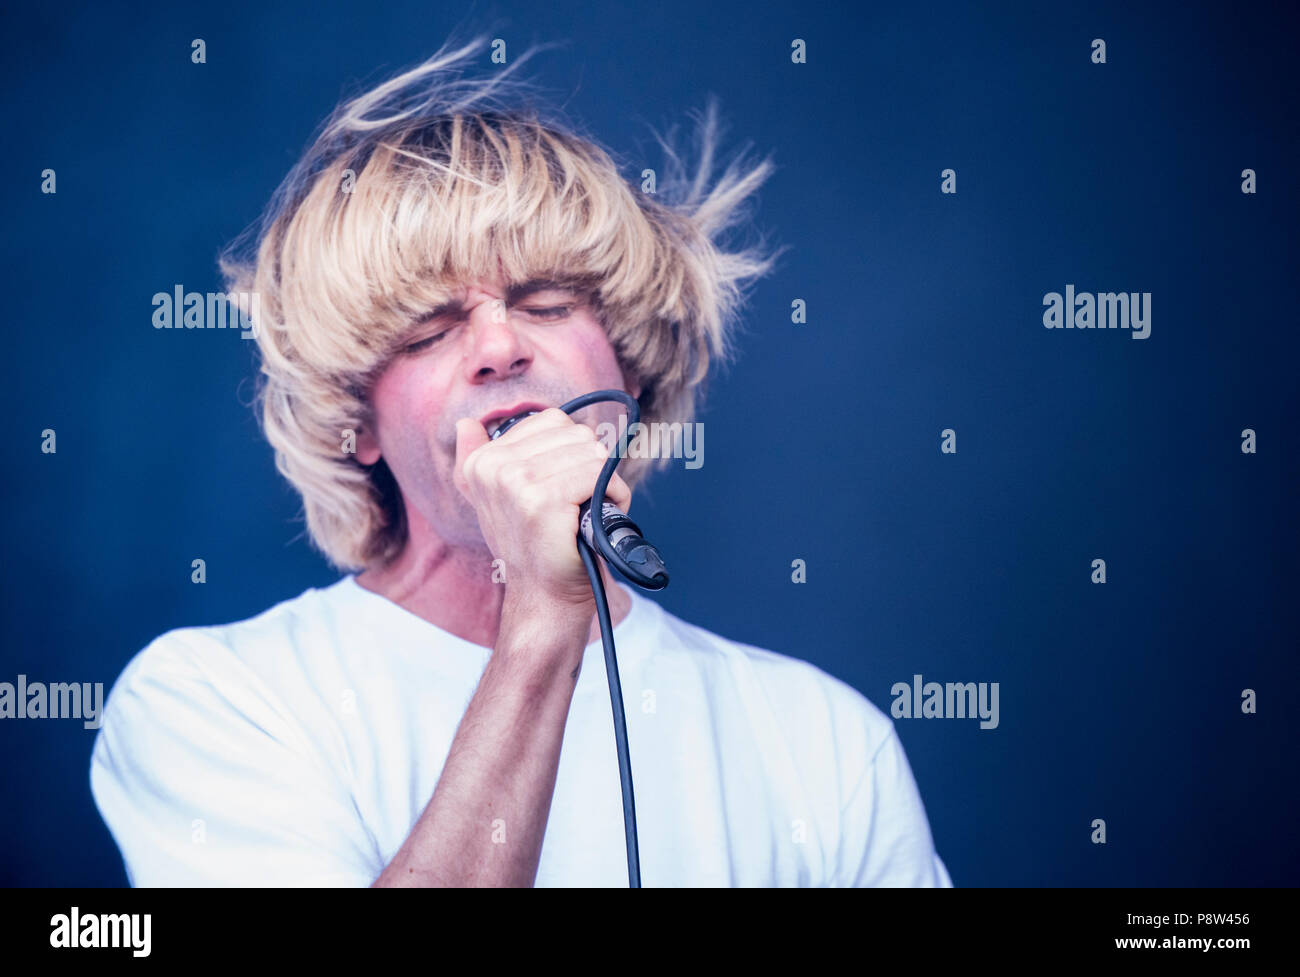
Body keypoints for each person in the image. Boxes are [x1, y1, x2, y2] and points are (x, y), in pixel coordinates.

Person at [90, 35, 953, 888]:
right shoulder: (214, 700)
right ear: (357, 421)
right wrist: (544, 613)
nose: (499, 345)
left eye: (547, 302)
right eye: (429, 327)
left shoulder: (828, 743)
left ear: (630, 369)